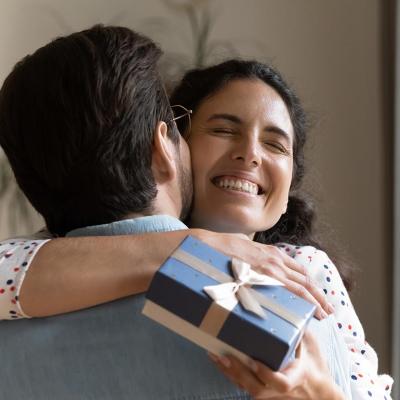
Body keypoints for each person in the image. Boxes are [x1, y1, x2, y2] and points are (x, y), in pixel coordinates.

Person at [0, 26, 392, 399]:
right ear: (167, 147)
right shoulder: (283, 315)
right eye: (223, 130)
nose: (250, 154)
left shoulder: (301, 277)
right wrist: (187, 244)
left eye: (276, 145)